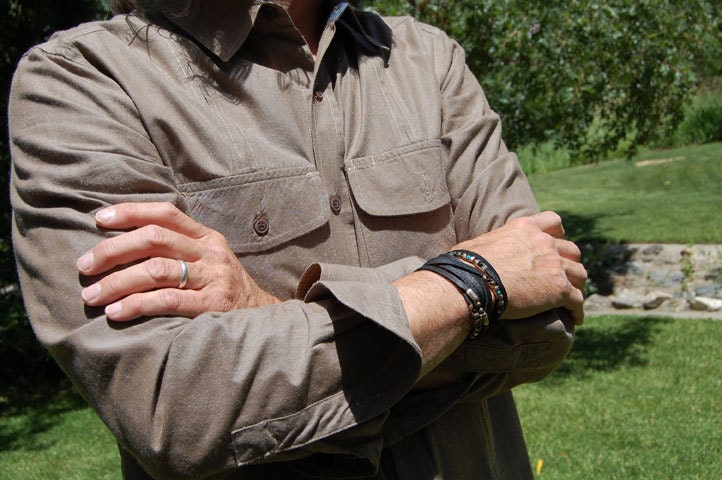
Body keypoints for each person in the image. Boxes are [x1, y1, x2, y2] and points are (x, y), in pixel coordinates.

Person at [9, 0, 586, 478]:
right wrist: (472, 285)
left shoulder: (426, 59)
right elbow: (176, 407)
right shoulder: (83, 81)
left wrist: (269, 317)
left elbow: (547, 312)